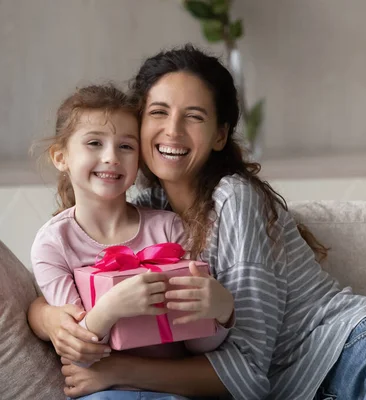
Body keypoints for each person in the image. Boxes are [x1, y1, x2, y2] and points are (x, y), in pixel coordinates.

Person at [28, 46, 366, 400]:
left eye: (194, 116)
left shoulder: (234, 199)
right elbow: (61, 272)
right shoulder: (148, 213)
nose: (172, 130)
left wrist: (120, 369)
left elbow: (247, 377)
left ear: (219, 135)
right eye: (158, 113)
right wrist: (44, 316)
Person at [29, 84, 235, 399]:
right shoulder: (53, 243)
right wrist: (111, 309)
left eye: (126, 146)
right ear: (61, 157)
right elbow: (79, 353)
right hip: (104, 393)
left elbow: (197, 344)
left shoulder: (169, 230)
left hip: (173, 392)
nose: (111, 157)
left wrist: (221, 312)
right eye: (94, 143)